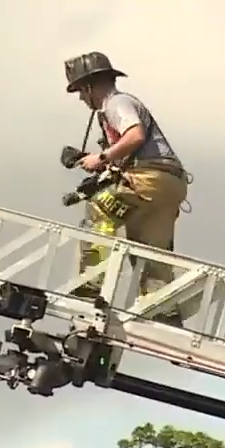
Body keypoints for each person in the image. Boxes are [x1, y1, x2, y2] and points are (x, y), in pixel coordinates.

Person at [63, 51, 190, 326]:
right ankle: (162, 308)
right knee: (147, 247)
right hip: (169, 184)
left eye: (80, 92)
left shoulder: (116, 104)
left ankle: (90, 283)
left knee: (100, 207)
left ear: (88, 86)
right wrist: (103, 165)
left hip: (149, 178)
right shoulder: (117, 107)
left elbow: (135, 135)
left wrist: (103, 158)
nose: (82, 99)